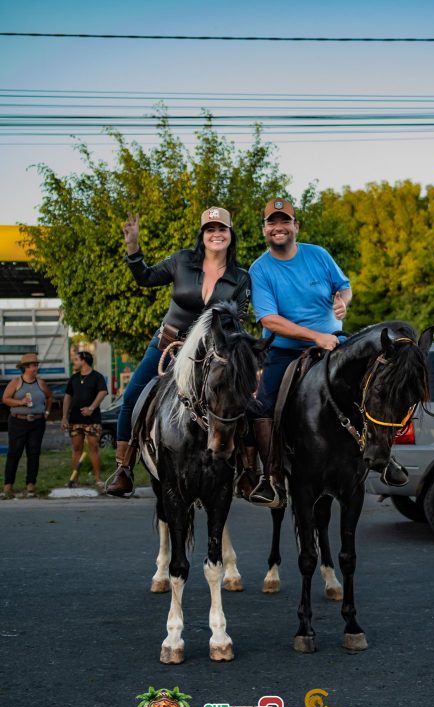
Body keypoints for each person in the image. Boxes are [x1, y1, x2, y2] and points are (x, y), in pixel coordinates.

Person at [105, 207, 251, 497]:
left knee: (241, 400)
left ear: (230, 235)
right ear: (203, 235)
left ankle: (247, 471)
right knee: (132, 397)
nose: (216, 234)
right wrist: (133, 249)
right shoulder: (182, 260)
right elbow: (145, 277)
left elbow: (240, 320)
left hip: (208, 355)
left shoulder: (241, 278)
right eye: (210, 230)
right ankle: (124, 468)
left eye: (222, 229)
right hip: (167, 345)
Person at [245, 197, 353, 507]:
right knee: (262, 407)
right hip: (285, 351)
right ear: (264, 229)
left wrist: (344, 300)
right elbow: (269, 320)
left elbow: (344, 286)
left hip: (334, 343)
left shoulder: (318, 254)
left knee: (369, 385)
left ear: (296, 226)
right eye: (272, 222)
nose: (278, 227)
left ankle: (380, 457)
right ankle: (271, 478)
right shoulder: (260, 269)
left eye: (284, 221)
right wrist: (315, 337)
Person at [2, 352, 53, 498]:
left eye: (36, 365)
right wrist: (20, 402)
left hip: (37, 422)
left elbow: (49, 397)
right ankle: (8, 485)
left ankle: (31, 484)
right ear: (25, 367)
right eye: (33, 365)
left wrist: (47, 411)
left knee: (34, 453)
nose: (36, 367)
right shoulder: (16, 382)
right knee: (14, 453)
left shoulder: (40, 382)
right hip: (18, 421)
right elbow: (5, 399)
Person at [61, 351, 108, 492]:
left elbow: (103, 392)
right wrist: (64, 416)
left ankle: (98, 479)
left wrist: (91, 408)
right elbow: (67, 397)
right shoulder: (74, 378)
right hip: (75, 419)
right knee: (76, 449)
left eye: (76, 359)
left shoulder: (97, 377)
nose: (74, 362)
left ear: (84, 361)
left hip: (92, 420)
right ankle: (74, 479)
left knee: (93, 448)